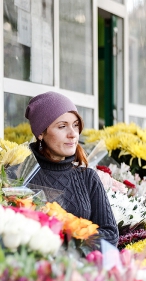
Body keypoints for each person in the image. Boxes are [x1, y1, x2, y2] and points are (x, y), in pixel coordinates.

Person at [25, 91, 118, 248]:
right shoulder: (22, 176)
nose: (73, 134)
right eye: (62, 126)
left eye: (75, 125)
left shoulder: (87, 177)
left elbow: (110, 234)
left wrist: (72, 240)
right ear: (41, 133)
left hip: (82, 270)